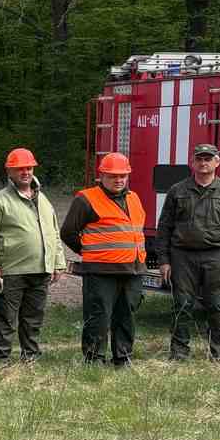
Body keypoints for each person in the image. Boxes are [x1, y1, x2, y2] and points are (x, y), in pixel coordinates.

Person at [158, 143, 220, 361]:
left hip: (217, 254)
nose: (203, 163)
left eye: (208, 159)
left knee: (217, 304)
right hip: (182, 255)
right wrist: (164, 260)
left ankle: (218, 354)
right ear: (193, 162)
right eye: (199, 159)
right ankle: (179, 353)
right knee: (182, 305)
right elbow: (164, 228)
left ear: (217, 162)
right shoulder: (177, 191)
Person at [0, 148, 66, 364]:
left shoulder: (43, 199)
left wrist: (58, 262)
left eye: (28, 168)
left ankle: (30, 357)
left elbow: (53, 232)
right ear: (9, 172)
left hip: (41, 269)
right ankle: (1, 361)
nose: (25, 172)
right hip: (11, 270)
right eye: (19, 169)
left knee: (33, 318)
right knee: (5, 318)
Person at [60, 152, 147, 367]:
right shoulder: (86, 199)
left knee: (126, 315)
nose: (118, 180)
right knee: (98, 316)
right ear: (102, 176)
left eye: (122, 176)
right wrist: (90, 253)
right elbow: (68, 233)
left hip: (132, 269)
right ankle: (94, 359)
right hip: (101, 272)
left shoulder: (134, 198)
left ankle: (123, 358)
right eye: (113, 176)